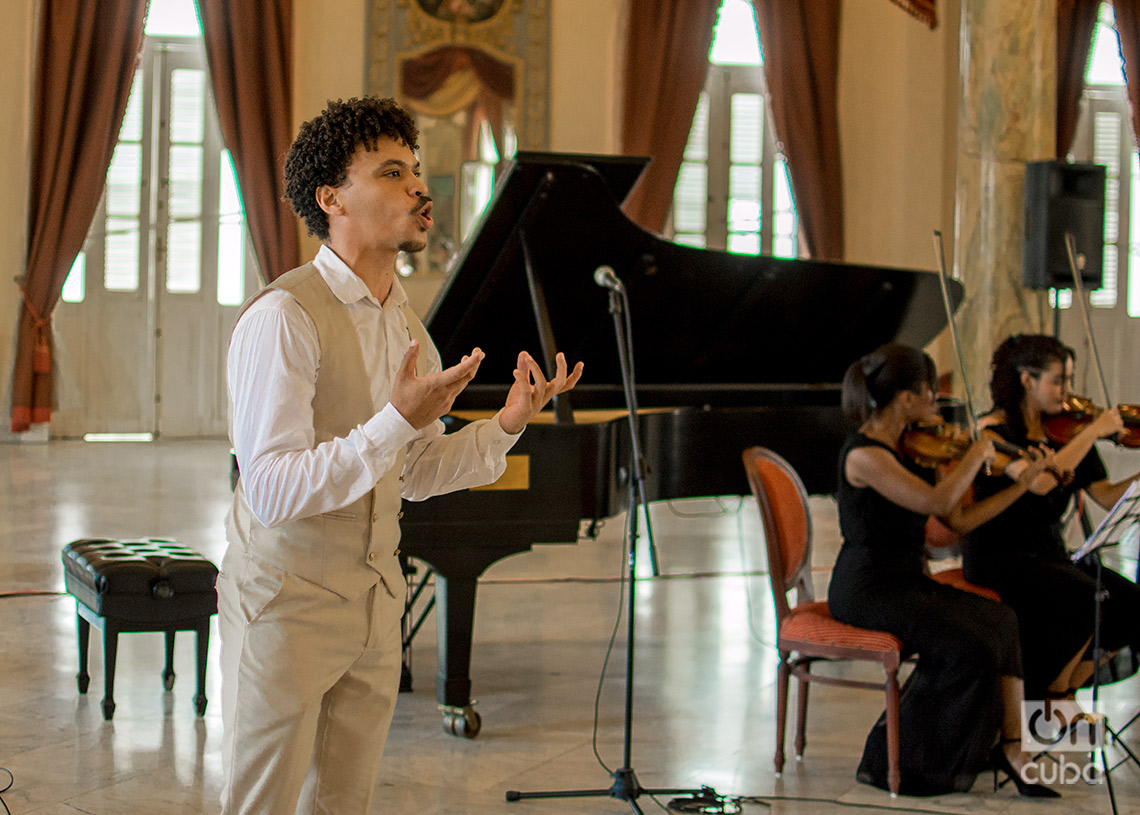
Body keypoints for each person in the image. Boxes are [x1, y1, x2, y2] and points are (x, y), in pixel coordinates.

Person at [217, 96, 583, 815]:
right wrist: (392, 421)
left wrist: (505, 425)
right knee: (259, 805)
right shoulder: (283, 318)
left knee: (342, 805)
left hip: (376, 604)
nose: (420, 185)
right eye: (392, 172)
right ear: (333, 200)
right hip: (285, 606)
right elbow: (269, 489)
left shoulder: (405, 322)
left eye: (416, 170)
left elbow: (412, 470)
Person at [829, 343, 1058, 797]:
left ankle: (1014, 749)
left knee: (1002, 620)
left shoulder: (915, 447)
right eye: (930, 392)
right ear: (906, 397)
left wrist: (1023, 487)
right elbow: (934, 503)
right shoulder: (864, 456)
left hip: (909, 581)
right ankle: (905, 760)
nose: (936, 402)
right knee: (967, 645)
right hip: (868, 587)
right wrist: (978, 453)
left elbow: (956, 524)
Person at [963, 334, 1140, 701]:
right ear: (1027, 380)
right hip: (1000, 555)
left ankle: (1064, 687)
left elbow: (1105, 496)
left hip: (1050, 555)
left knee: (1131, 604)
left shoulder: (1066, 431)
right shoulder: (992, 432)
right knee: (1084, 597)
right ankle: (1052, 696)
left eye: (1070, 380)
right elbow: (1040, 483)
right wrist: (1093, 431)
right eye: (1058, 381)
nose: (1067, 392)